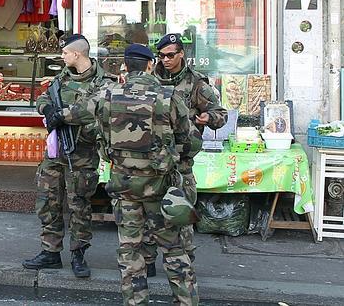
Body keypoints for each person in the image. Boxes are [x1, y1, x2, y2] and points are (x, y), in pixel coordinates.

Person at [66, 44, 198, 305]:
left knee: (129, 251)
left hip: (123, 186)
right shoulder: (167, 96)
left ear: (125, 66)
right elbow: (191, 141)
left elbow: (82, 118)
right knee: (173, 249)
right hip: (160, 187)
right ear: (150, 65)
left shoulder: (107, 94)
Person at [22, 34, 114, 278]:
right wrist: (48, 108)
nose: (62, 57)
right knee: (48, 202)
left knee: (79, 206)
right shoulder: (61, 77)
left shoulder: (103, 83)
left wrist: (63, 115)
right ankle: (50, 252)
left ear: (77, 54)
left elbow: (94, 112)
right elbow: (43, 97)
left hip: (82, 154)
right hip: (55, 154)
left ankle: (78, 254)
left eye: (65, 53)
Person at [143, 33, 227, 275]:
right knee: (149, 213)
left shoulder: (196, 83)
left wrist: (208, 117)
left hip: (181, 159)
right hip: (153, 158)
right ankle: (147, 261)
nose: (165, 60)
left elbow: (220, 114)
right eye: (161, 55)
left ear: (181, 54)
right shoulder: (150, 79)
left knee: (182, 212)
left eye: (170, 55)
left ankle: (184, 263)